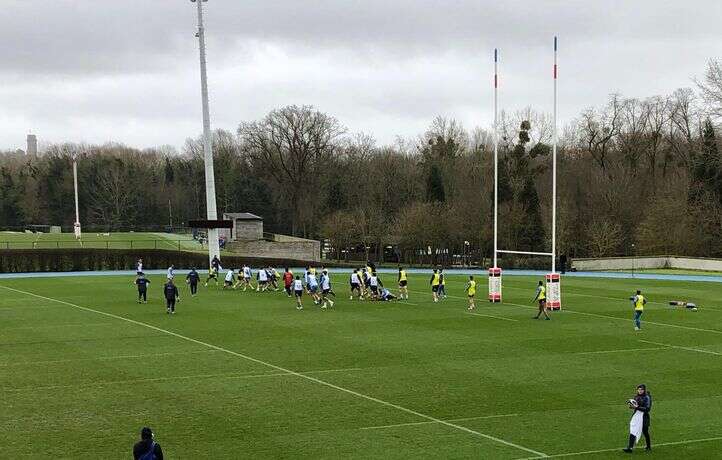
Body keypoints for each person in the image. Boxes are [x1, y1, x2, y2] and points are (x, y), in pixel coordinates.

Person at [624, 384, 652, 453]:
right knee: (633, 430)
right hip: (636, 416)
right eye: (639, 389)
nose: (640, 391)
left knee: (645, 431)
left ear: (644, 390)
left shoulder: (647, 397)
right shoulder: (636, 397)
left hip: (644, 417)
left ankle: (648, 446)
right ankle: (630, 448)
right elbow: (635, 405)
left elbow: (647, 409)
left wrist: (636, 407)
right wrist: (631, 406)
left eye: (641, 389)